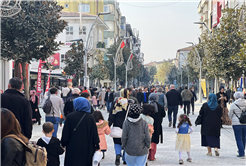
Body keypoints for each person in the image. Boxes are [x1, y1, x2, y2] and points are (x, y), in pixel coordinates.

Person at [61, 97, 100, 166]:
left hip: (72, 146)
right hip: (87, 146)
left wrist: (63, 143)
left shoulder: (70, 116)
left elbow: (66, 132)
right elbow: (94, 133)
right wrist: (97, 145)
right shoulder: (90, 117)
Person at [108, 89, 129, 165]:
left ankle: (118, 154)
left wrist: (109, 124)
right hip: (127, 125)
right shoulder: (129, 103)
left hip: (117, 124)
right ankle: (125, 158)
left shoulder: (116, 102)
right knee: (127, 142)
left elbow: (112, 114)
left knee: (117, 142)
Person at [148, 93, 166, 161]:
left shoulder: (146, 106)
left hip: (147, 125)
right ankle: (152, 156)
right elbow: (163, 115)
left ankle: (147, 155)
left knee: (147, 139)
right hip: (157, 125)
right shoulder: (160, 107)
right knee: (154, 140)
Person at [229, 92, 246, 159]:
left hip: (236, 123)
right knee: (244, 138)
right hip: (245, 123)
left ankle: (241, 153)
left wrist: (231, 119)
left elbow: (230, 114)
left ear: (235, 97)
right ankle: (242, 150)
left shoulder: (233, 104)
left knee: (238, 138)